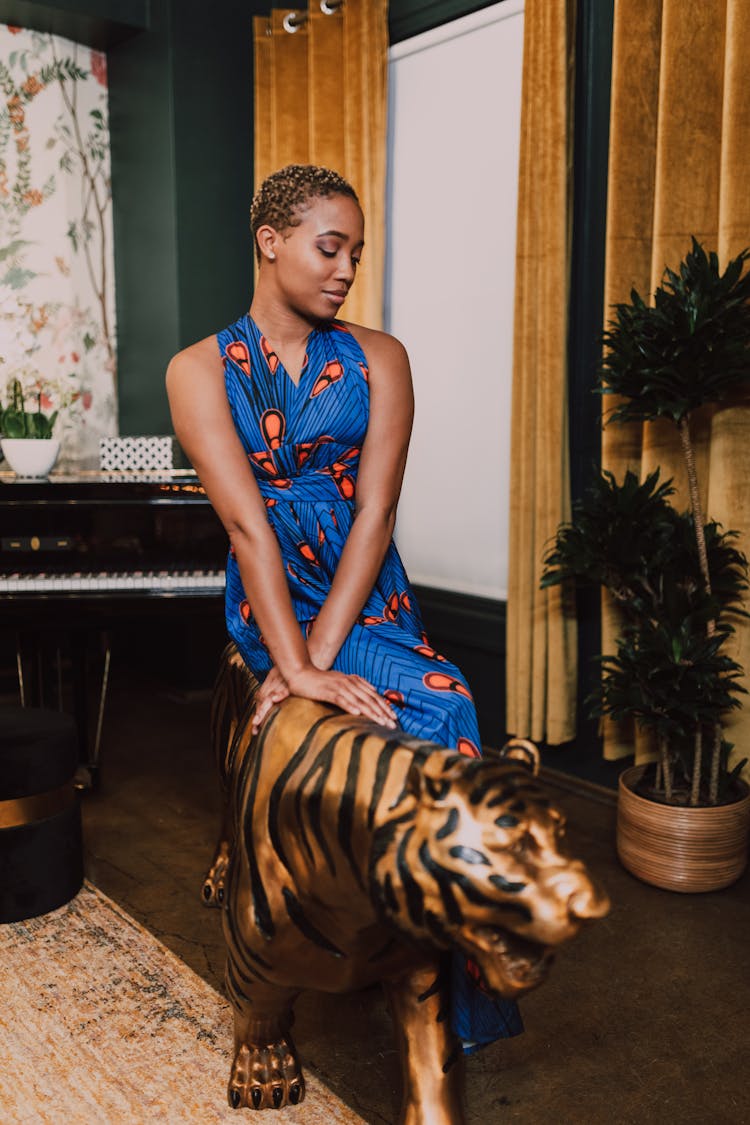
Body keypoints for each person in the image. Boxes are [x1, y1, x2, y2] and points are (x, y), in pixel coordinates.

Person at [166, 163, 521, 1050]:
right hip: (269, 595)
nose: (345, 269)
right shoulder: (197, 369)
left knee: (442, 702)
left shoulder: (381, 358)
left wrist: (322, 662)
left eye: (355, 254)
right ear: (270, 240)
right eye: (330, 247)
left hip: (366, 594)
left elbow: (375, 511)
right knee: (401, 705)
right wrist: (293, 668)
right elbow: (249, 531)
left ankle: (440, 974)